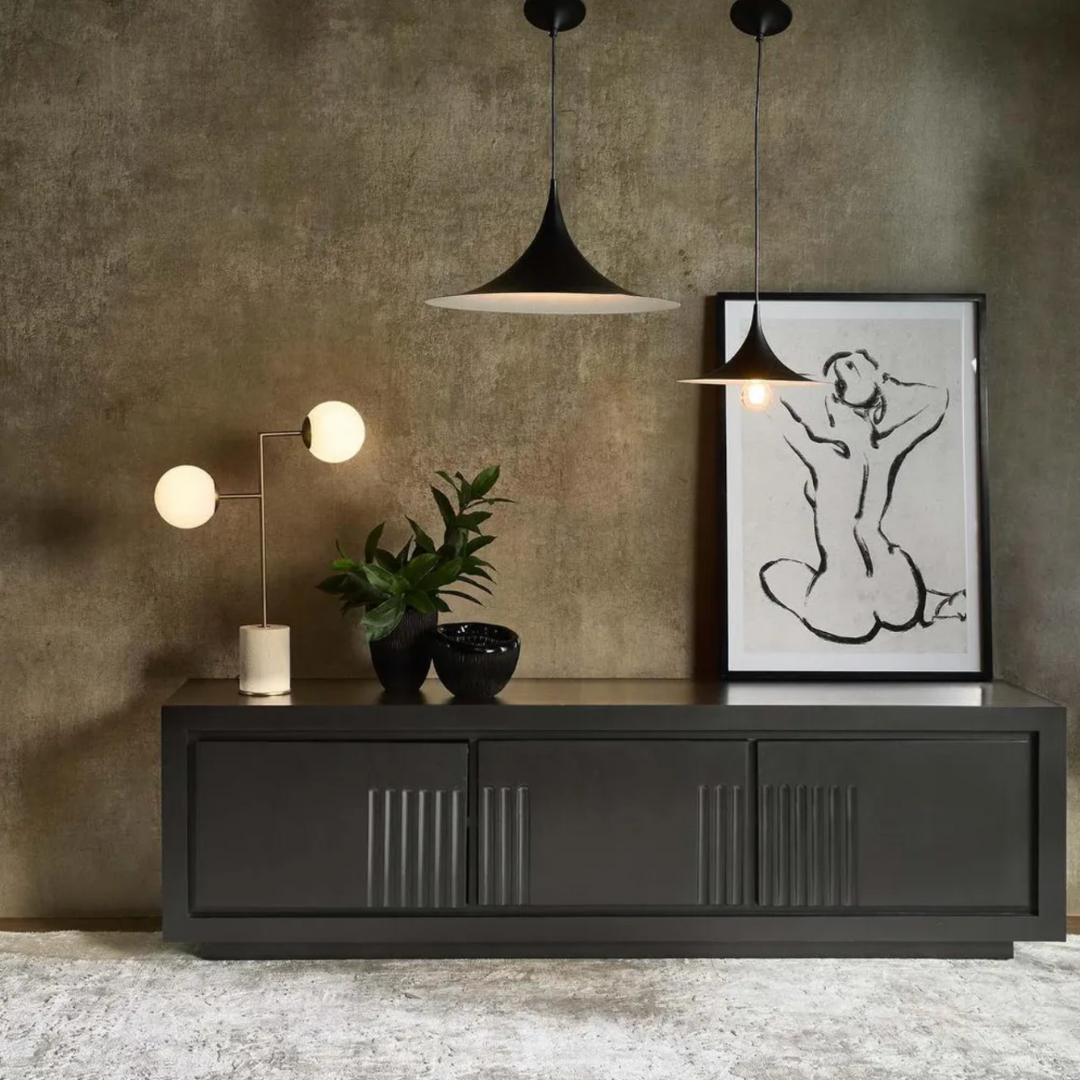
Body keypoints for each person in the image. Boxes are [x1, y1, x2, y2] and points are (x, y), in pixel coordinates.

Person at [760, 349, 964, 644]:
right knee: (883, 552)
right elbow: (938, 399)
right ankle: (933, 606)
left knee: (773, 573)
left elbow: (774, 409)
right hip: (900, 593)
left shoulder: (824, 457)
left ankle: (934, 605)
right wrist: (885, 384)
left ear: (834, 407)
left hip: (843, 605)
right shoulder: (887, 448)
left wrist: (770, 384)